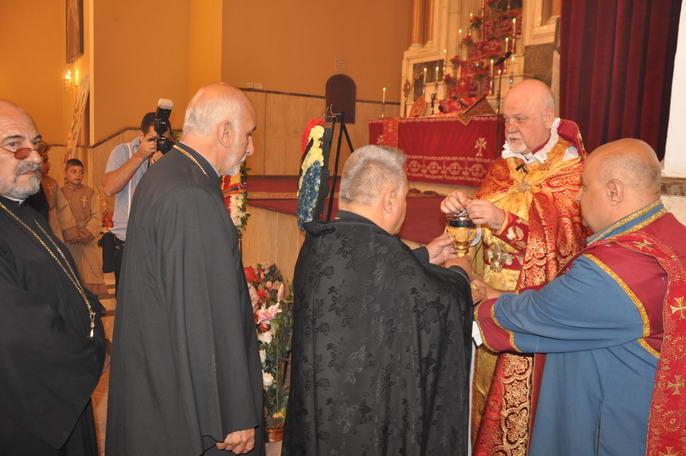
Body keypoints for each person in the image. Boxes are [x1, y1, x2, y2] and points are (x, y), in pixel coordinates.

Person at [473, 138, 686, 456]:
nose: (577, 196)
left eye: (585, 186)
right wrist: (494, 291)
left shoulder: (618, 266)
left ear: (614, 191)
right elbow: (568, 301)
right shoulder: (672, 237)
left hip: (615, 428)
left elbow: (539, 314)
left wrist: (469, 293)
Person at [283, 145, 474, 456]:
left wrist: (422, 256)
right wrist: (459, 274)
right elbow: (437, 304)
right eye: (405, 198)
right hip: (364, 424)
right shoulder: (389, 257)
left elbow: (365, 277)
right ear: (390, 199)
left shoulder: (319, 241)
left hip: (320, 414)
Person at [106, 83, 264, 456]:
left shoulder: (168, 173)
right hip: (193, 404)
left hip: (161, 376)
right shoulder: (191, 195)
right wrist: (234, 413)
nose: (251, 147)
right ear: (225, 131)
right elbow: (200, 315)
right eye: (248, 134)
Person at [440, 79, 587, 452]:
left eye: (520, 119)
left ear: (548, 117)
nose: (510, 128)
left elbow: (565, 245)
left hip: (529, 308)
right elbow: (476, 236)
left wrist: (502, 221)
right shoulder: (504, 165)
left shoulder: (572, 170)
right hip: (484, 299)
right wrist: (462, 218)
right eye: (506, 119)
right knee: (481, 394)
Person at [0, 100, 106, 455]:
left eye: (37, 144)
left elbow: (63, 281)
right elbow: (15, 332)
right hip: (33, 408)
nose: (34, 157)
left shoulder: (23, 213)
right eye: (14, 144)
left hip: (64, 394)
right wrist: (89, 351)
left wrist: (91, 318)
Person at [101, 112, 170, 289]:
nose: (158, 144)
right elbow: (108, 188)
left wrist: (165, 167)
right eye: (153, 139)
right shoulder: (123, 151)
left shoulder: (171, 156)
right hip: (128, 245)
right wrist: (139, 156)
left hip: (161, 246)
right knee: (128, 302)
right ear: (141, 136)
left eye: (163, 139)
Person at [57, 158, 107, 296]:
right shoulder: (59, 193)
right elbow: (57, 217)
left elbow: (97, 216)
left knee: (92, 276)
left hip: (88, 241)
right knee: (71, 276)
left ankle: (92, 306)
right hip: (69, 242)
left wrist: (88, 232)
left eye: (81, 172)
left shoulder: (90, 193)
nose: (78, 175)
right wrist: (70, 233)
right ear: (65, 173)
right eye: (73, 171)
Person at [25, 143, 64, 240]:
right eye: (45, 160)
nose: (49, 165)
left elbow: (62, 207)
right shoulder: (25, 184)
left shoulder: (47, 182)